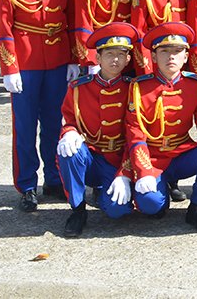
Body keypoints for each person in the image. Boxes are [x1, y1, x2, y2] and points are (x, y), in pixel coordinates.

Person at [0, 0, 80, 212]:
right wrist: (9, 66)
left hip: (58, 57)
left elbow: (72, 15)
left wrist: (73, 58)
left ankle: (54, 179)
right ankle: (27, 184)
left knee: (55, 122)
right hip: (26, 58)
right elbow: (4, 21)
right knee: (25, 125)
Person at [125, 22, 197, 232]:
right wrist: (144, 171)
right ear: (153, 57)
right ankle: (159, 192)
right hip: (152, 158)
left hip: (181, 155)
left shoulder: (194, 85)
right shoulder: (139, 87)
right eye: (164, 52)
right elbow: (135, 134)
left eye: (177, 52)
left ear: (186, 57)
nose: (171, 57)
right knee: (151, 206)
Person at [56, 22, 139, 236]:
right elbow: (69, 120)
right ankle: (77, 209)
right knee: (69, 151)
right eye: (109, 54)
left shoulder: (135, 88)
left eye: (120, 55)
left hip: (118, 160)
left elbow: (137, 135)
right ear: (98, 58)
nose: (115, 60)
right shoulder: (79, 88)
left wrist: (124, 173)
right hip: (90, 157)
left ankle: (104, 193)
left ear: (128, 59)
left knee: (117, 210)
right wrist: (69, 133)